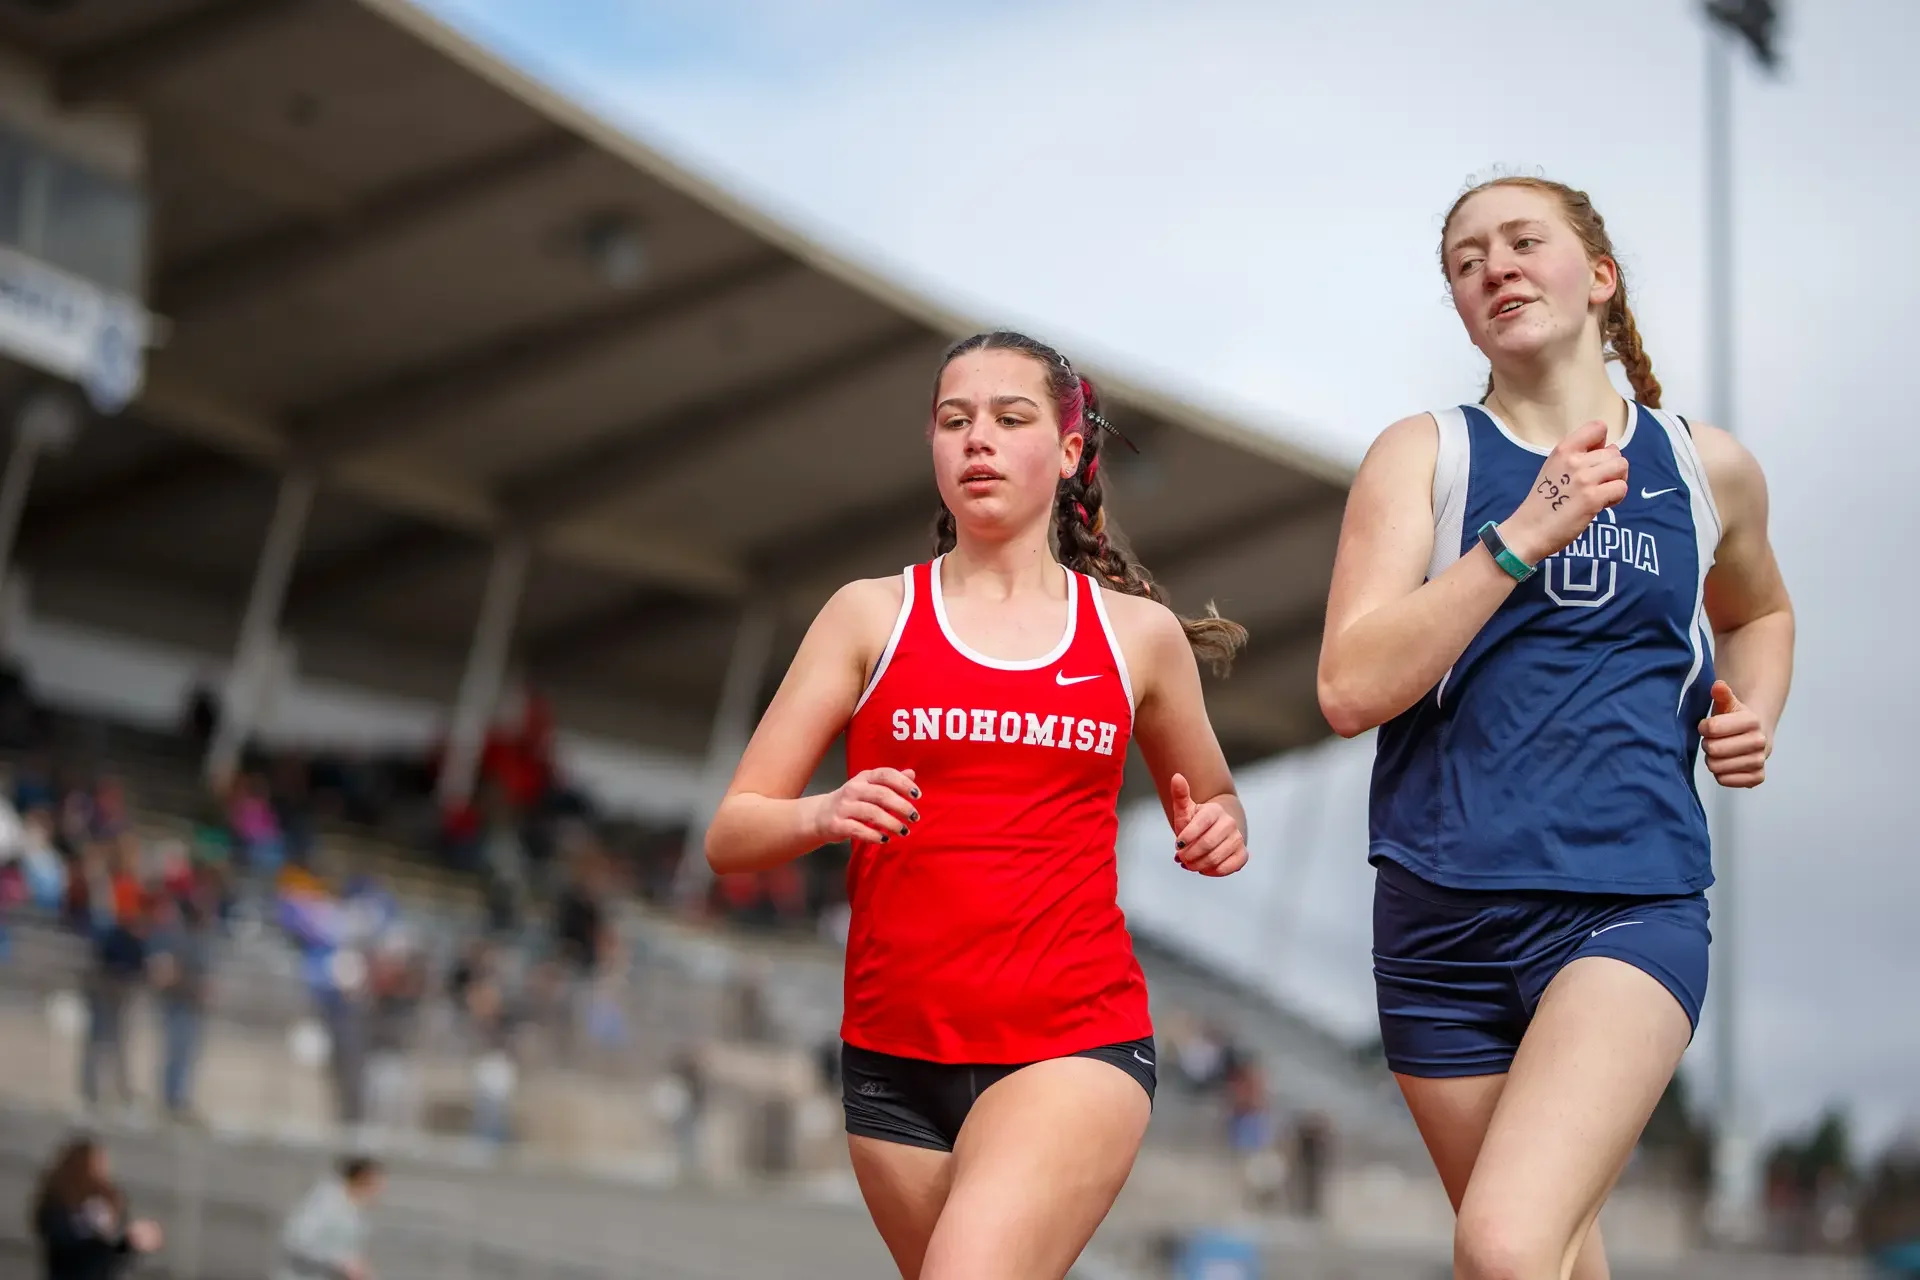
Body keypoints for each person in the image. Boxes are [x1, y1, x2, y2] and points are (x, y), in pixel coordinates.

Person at [1318, 175, 1795, 1280]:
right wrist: (1522, 533)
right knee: (1559, 1254)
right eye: (1468, 259)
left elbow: (1761, 609)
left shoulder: (1701, 464)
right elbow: (1349, 686)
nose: (1496, 266)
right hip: (1439, 922)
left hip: (1628, 900)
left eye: (1525, 241)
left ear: (1601, 277)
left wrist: (1755, 708)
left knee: (1502, 1242)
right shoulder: (1423, 453)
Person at [706, 330, 1252, 1279]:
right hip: (892, 1065)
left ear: (1071, 450)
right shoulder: (869, 614)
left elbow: (1211, 801)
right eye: (955, 421)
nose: (978, 441)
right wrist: (823, 812)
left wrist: (1218, 829)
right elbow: (732, 828)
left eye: (1011, 418)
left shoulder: (1137, 638)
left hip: (1073, 1046)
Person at [30, 1136, 162, 1280]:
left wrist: (130, 1242)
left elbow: (109, 1258)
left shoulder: (108, 1202)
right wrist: (93, 1227)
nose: (104, 1170)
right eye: (98, 1163)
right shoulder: (59, 1205)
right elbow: (67, 1246)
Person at [275, 1155, 384, 1280]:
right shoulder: (326, 1203)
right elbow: (296, 1241)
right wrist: (340, 1262)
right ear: (361, 1178)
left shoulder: (352, 1206)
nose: (380, 1189)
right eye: (377, 1182)